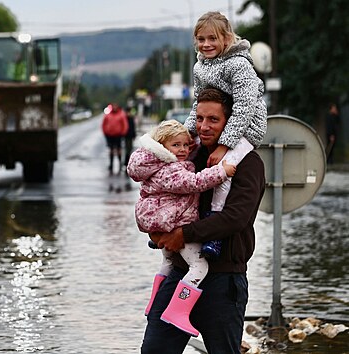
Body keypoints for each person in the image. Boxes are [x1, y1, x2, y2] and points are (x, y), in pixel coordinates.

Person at [141, 87, 265, 354]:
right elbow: (158, 191)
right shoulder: (189, 155)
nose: (204, 126)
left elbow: (236, 218)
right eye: (199, 118)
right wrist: (153, 226)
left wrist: (184, 234)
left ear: (230, 123)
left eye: (213, 119)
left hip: (223, 280)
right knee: (154, 350)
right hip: (180, 272)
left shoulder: (248, 163)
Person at [127, 119, 236, 337]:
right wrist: (222, 172)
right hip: (177, 224)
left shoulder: (156, 164)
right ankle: (179, 309)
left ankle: (154, 303)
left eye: (186, 145)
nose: (183, 150)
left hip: (166, 223)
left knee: (167, 262)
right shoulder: (169, 169)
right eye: (176, 146)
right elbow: (193, 183)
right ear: (162, 147)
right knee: (199, 268)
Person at [182, 11, 267, 259]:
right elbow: (199, 104)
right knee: (186, 158)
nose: (206, 44)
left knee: (224, 170)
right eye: (201, 39)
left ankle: (215, 230)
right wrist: (187, 133)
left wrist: (224, 146)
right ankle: (170, 218)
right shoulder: (199, 67)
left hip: (248, 126)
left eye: (212, 39)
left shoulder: (239, 64)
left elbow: (244, 106)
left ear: (226, 38)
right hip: (221, 124)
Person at [102, 104, 129, 174]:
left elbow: (125, 124)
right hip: (110, 135)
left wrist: (123, 132)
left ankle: (120, 163)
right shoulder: (108, 115)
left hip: (118, 135)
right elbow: (104, 124)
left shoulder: (121, 115)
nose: (114, 108)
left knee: (118, 149)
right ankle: (111, 164)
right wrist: (105, 132)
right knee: (111, 149)